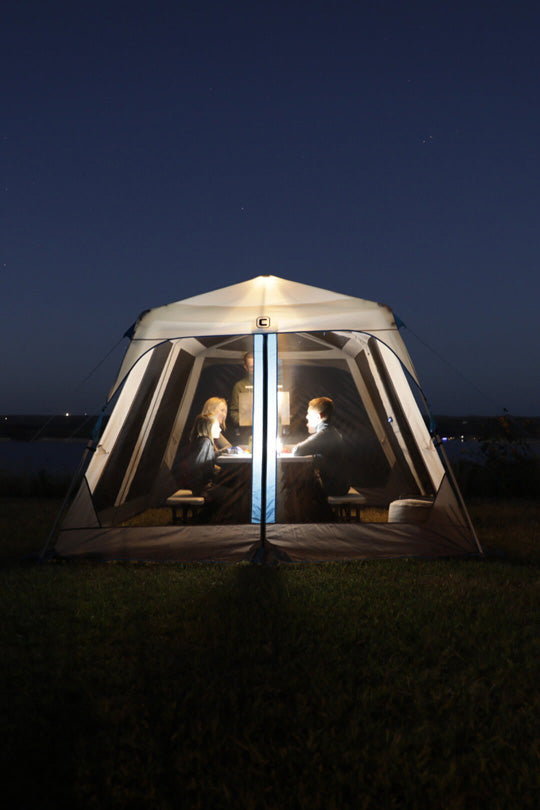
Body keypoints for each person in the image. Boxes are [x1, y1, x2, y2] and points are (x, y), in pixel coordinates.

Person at [292, 397, 350, 496]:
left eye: (309, 416)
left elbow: (297, 451)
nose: (306, 417)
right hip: (340, 484)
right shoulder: (331, 432)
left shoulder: (324, 435)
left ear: (319, 417)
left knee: (296, 486)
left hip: (334, 487)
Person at [229, 351, 254, 442]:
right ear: (246, 367)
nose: (255, 368)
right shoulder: (239, 386)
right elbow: (233, 413)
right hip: (247, 434)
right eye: (252, 367)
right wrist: (244, 421)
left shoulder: (271, 384)